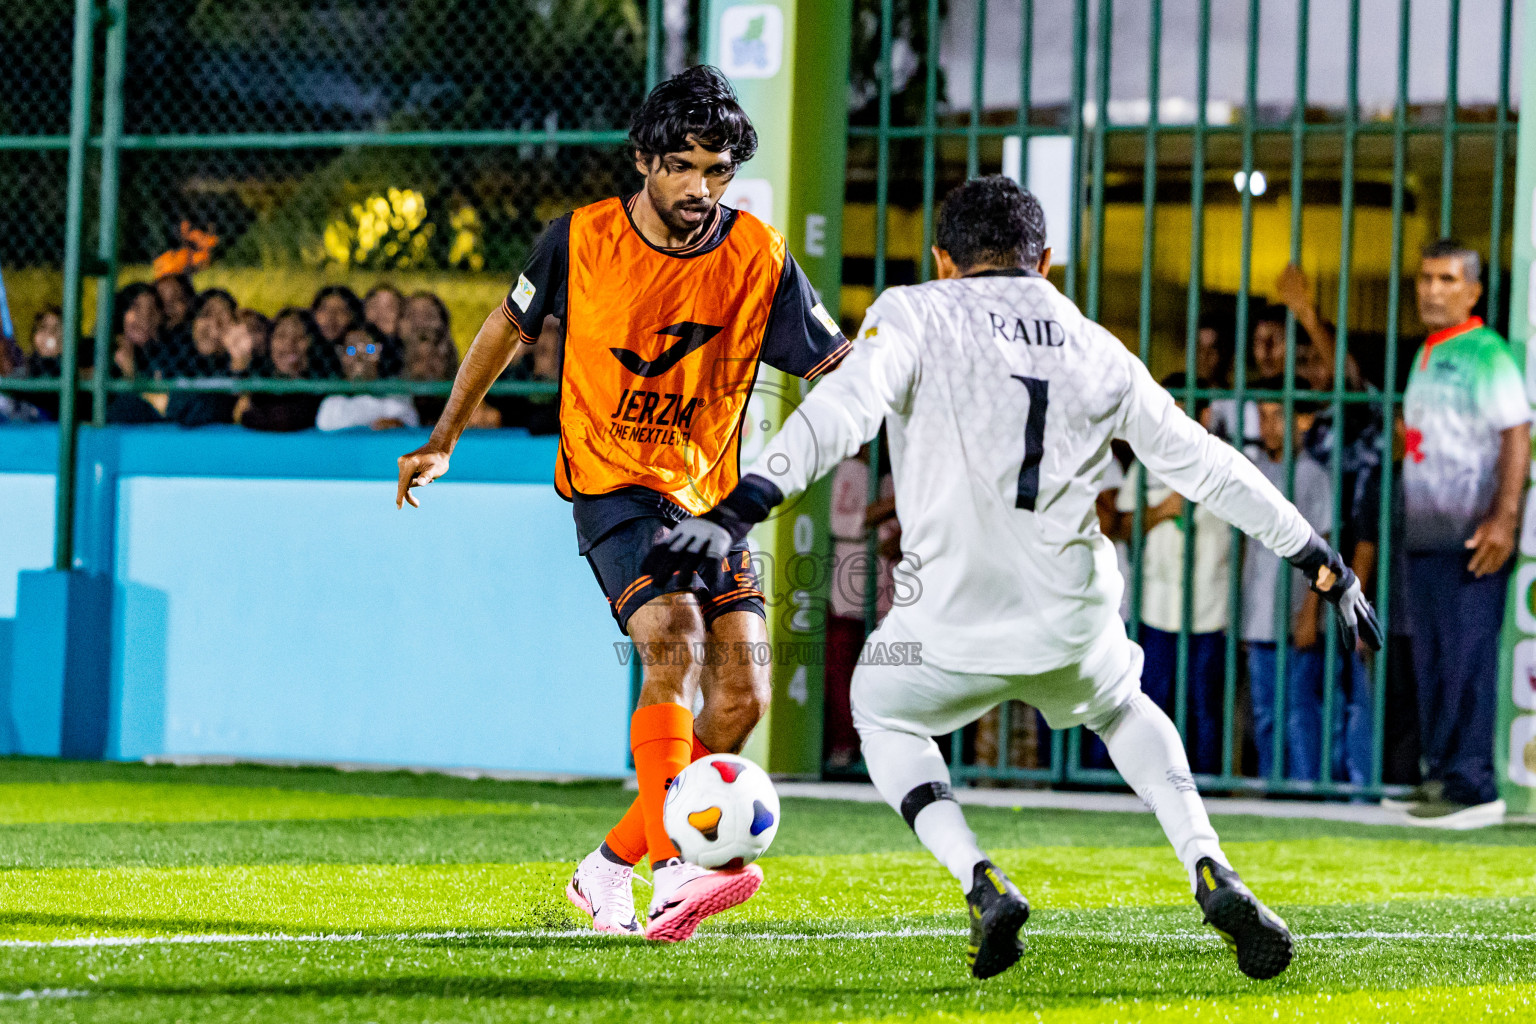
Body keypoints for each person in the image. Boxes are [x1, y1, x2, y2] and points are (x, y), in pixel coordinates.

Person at [643, 176, 1380, 980]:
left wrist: (742, 506)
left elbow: (841, 411)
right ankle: (1210, 865)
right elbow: (1209, 467)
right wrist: (1323, 561)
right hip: (1073, 618)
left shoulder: (916, 309)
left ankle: (979, 877)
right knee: (1126, 708)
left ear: (943, 259)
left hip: (949, 619)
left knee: (880, 714)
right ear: (1048, 261)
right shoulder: (1098, 346)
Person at [395, 66, 850, 942]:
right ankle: (681, 869)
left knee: (744, 698)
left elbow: (840, 371)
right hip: (612, 482)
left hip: (710, 498)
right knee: (671, 639)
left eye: (717, 171)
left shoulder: (758, 255)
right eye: (683, 166)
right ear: (643, 159)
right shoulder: (582, 238)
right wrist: (445, 435)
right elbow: (505, 326)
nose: (701, 188)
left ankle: (609, 865)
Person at [1397, 240, 1530, 828]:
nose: (1432, 290)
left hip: (1472, 537)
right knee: (1432, 662)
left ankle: (1474, 786)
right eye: (1425, 278)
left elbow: (1516, 433)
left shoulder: (1488, 352)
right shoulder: (1426, 350)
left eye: (1446, 279)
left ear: (1473, 291)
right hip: (1424, 536)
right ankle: (1443, 776)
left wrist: (1504, 519)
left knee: (1466, 660)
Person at [1116, 374, 1229, 776]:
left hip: (1210, 608)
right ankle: (1152, 781)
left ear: (1205, 414)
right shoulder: (1146, 465)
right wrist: (1164, 509)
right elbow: (1121, 526)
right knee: (1153, 701)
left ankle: (1207, 786)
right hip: (1156, 608)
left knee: (1205, 706)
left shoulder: (1224, 462)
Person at [1240, 381, 1335, 782]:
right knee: (1264, 712)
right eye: (1262, 415)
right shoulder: (1254, 471)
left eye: (1276, 415)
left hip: (1295, 613)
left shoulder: (1314, 476)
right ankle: (1272, 788)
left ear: (1300, 421)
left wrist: (1310, 611)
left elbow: (1326, 549)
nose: (1267, 425)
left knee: (1298, 710)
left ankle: (1304, 789)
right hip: (1258, 616)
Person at [317, 323, 418, 431]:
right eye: (351, 350)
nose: (360, 356)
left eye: (369, 349)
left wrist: (398, 424)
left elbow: (411, 422)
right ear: (341, 355)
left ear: (379, 352)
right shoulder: (331, 405)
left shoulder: (397, 396)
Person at [236, 308, 321, 432]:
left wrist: (246, 415)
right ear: (270, 342)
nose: (290, 344)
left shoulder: (322, 384)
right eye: (281, 336)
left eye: (299, 337)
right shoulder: (257, 381)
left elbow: (285, 419)